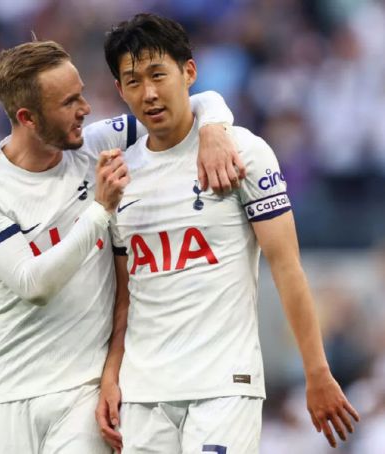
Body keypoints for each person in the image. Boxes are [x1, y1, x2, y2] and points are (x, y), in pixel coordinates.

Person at [0, 38, 240, 453]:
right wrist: (100, 210)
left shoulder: (98, 143)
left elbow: (193, 102)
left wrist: (213, 127)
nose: (85, 108)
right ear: (27, 117)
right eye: (69, 102)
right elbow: (33, 284)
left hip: (83, 397)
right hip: (7, 393)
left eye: (81, 94)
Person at [97, 13, 360, 453]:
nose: (149, 93)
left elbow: (287, 267)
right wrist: (111, 375)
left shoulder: (244, 154)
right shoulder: (120, 175)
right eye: (133, 81)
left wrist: (316, 371)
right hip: (144, 396)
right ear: (120, 90)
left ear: (189, 72)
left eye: (158, 75)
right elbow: (126, 294)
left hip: (223, 387)